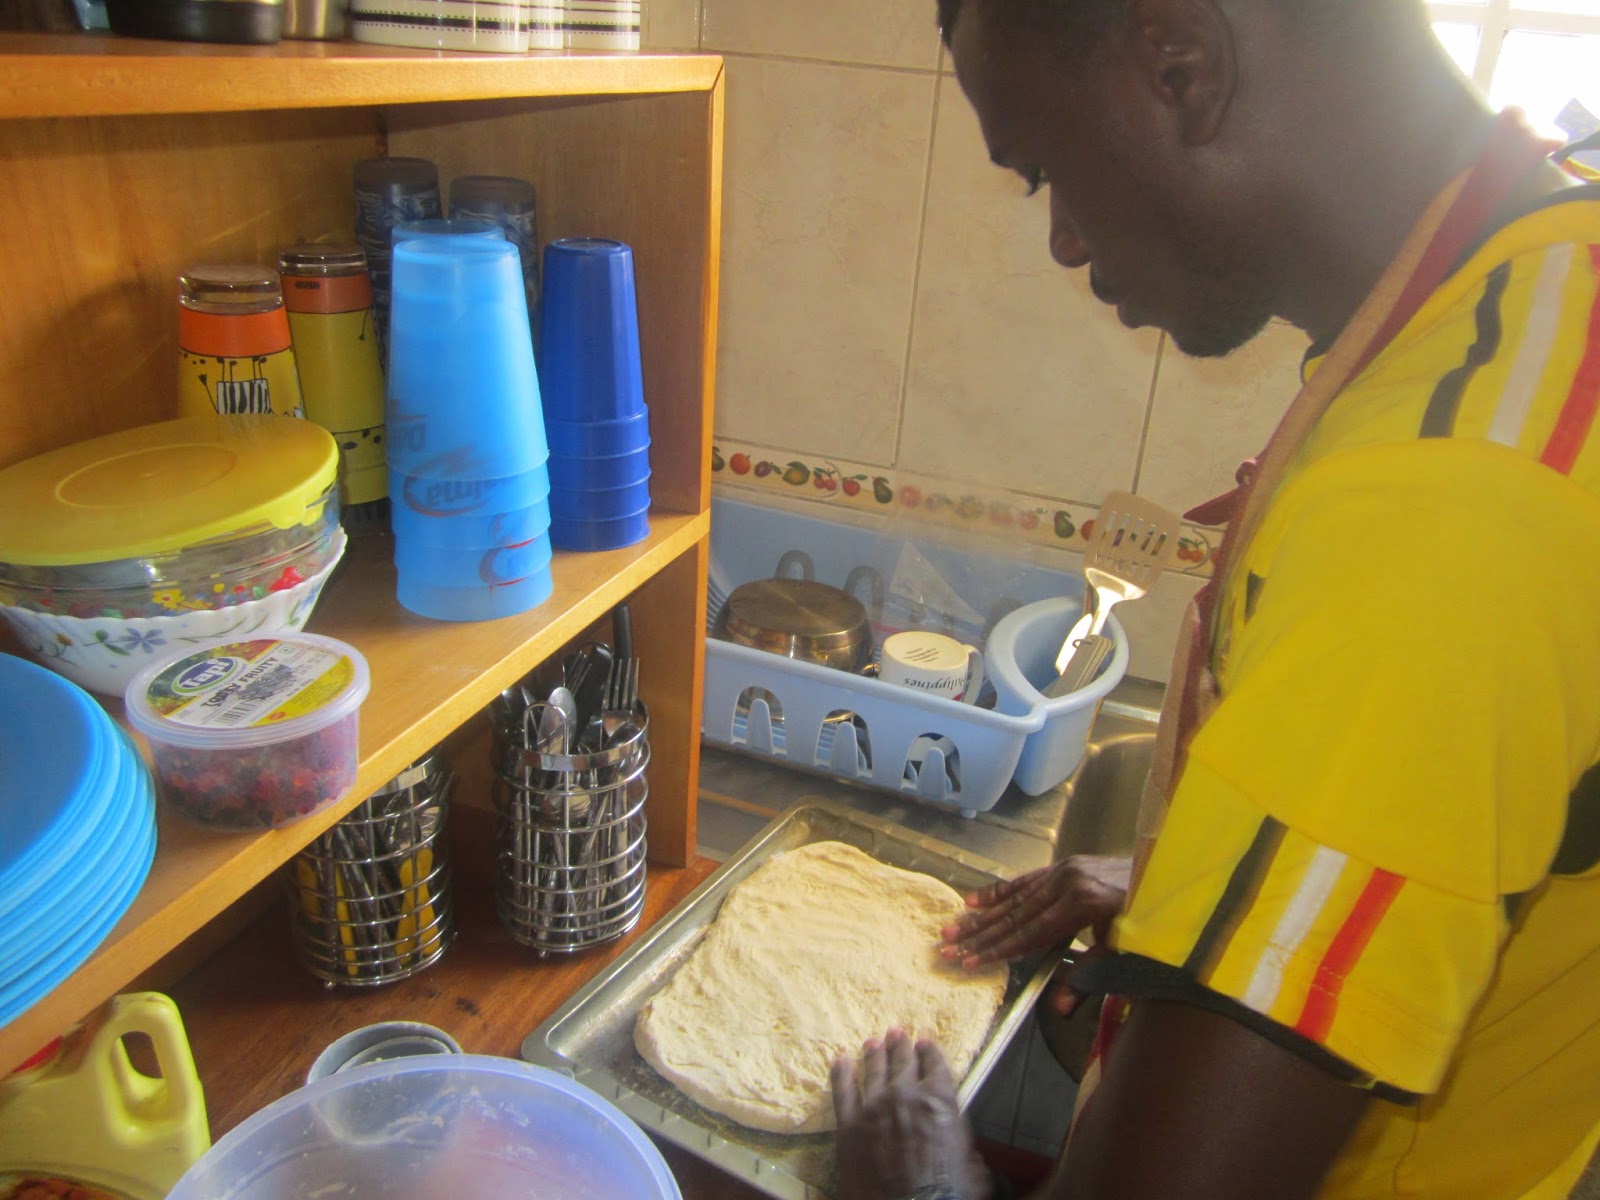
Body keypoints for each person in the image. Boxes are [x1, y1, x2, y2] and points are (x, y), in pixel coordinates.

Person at [828, 1, 1600, 1198]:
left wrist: (921, 1185)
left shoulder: (1453, 493)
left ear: (1180, 66)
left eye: (1043, 170)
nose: (1062, 242)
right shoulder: (1545, 289)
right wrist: (1231, 883)